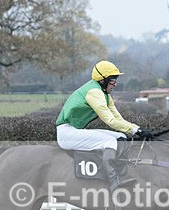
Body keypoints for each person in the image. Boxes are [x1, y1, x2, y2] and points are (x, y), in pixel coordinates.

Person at [56, 60, 154, 191]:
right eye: (112, 80)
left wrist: (137, 129)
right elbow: (110, 121)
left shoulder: (104, 95)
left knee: (120, 136)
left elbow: (117, 118)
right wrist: (136, 130)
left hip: (73, 131)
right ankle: (113, 182)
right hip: (66, 134)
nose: (115, 84)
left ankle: (121, 172)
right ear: (102, 81)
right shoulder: (94, 93)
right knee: (109, 141)